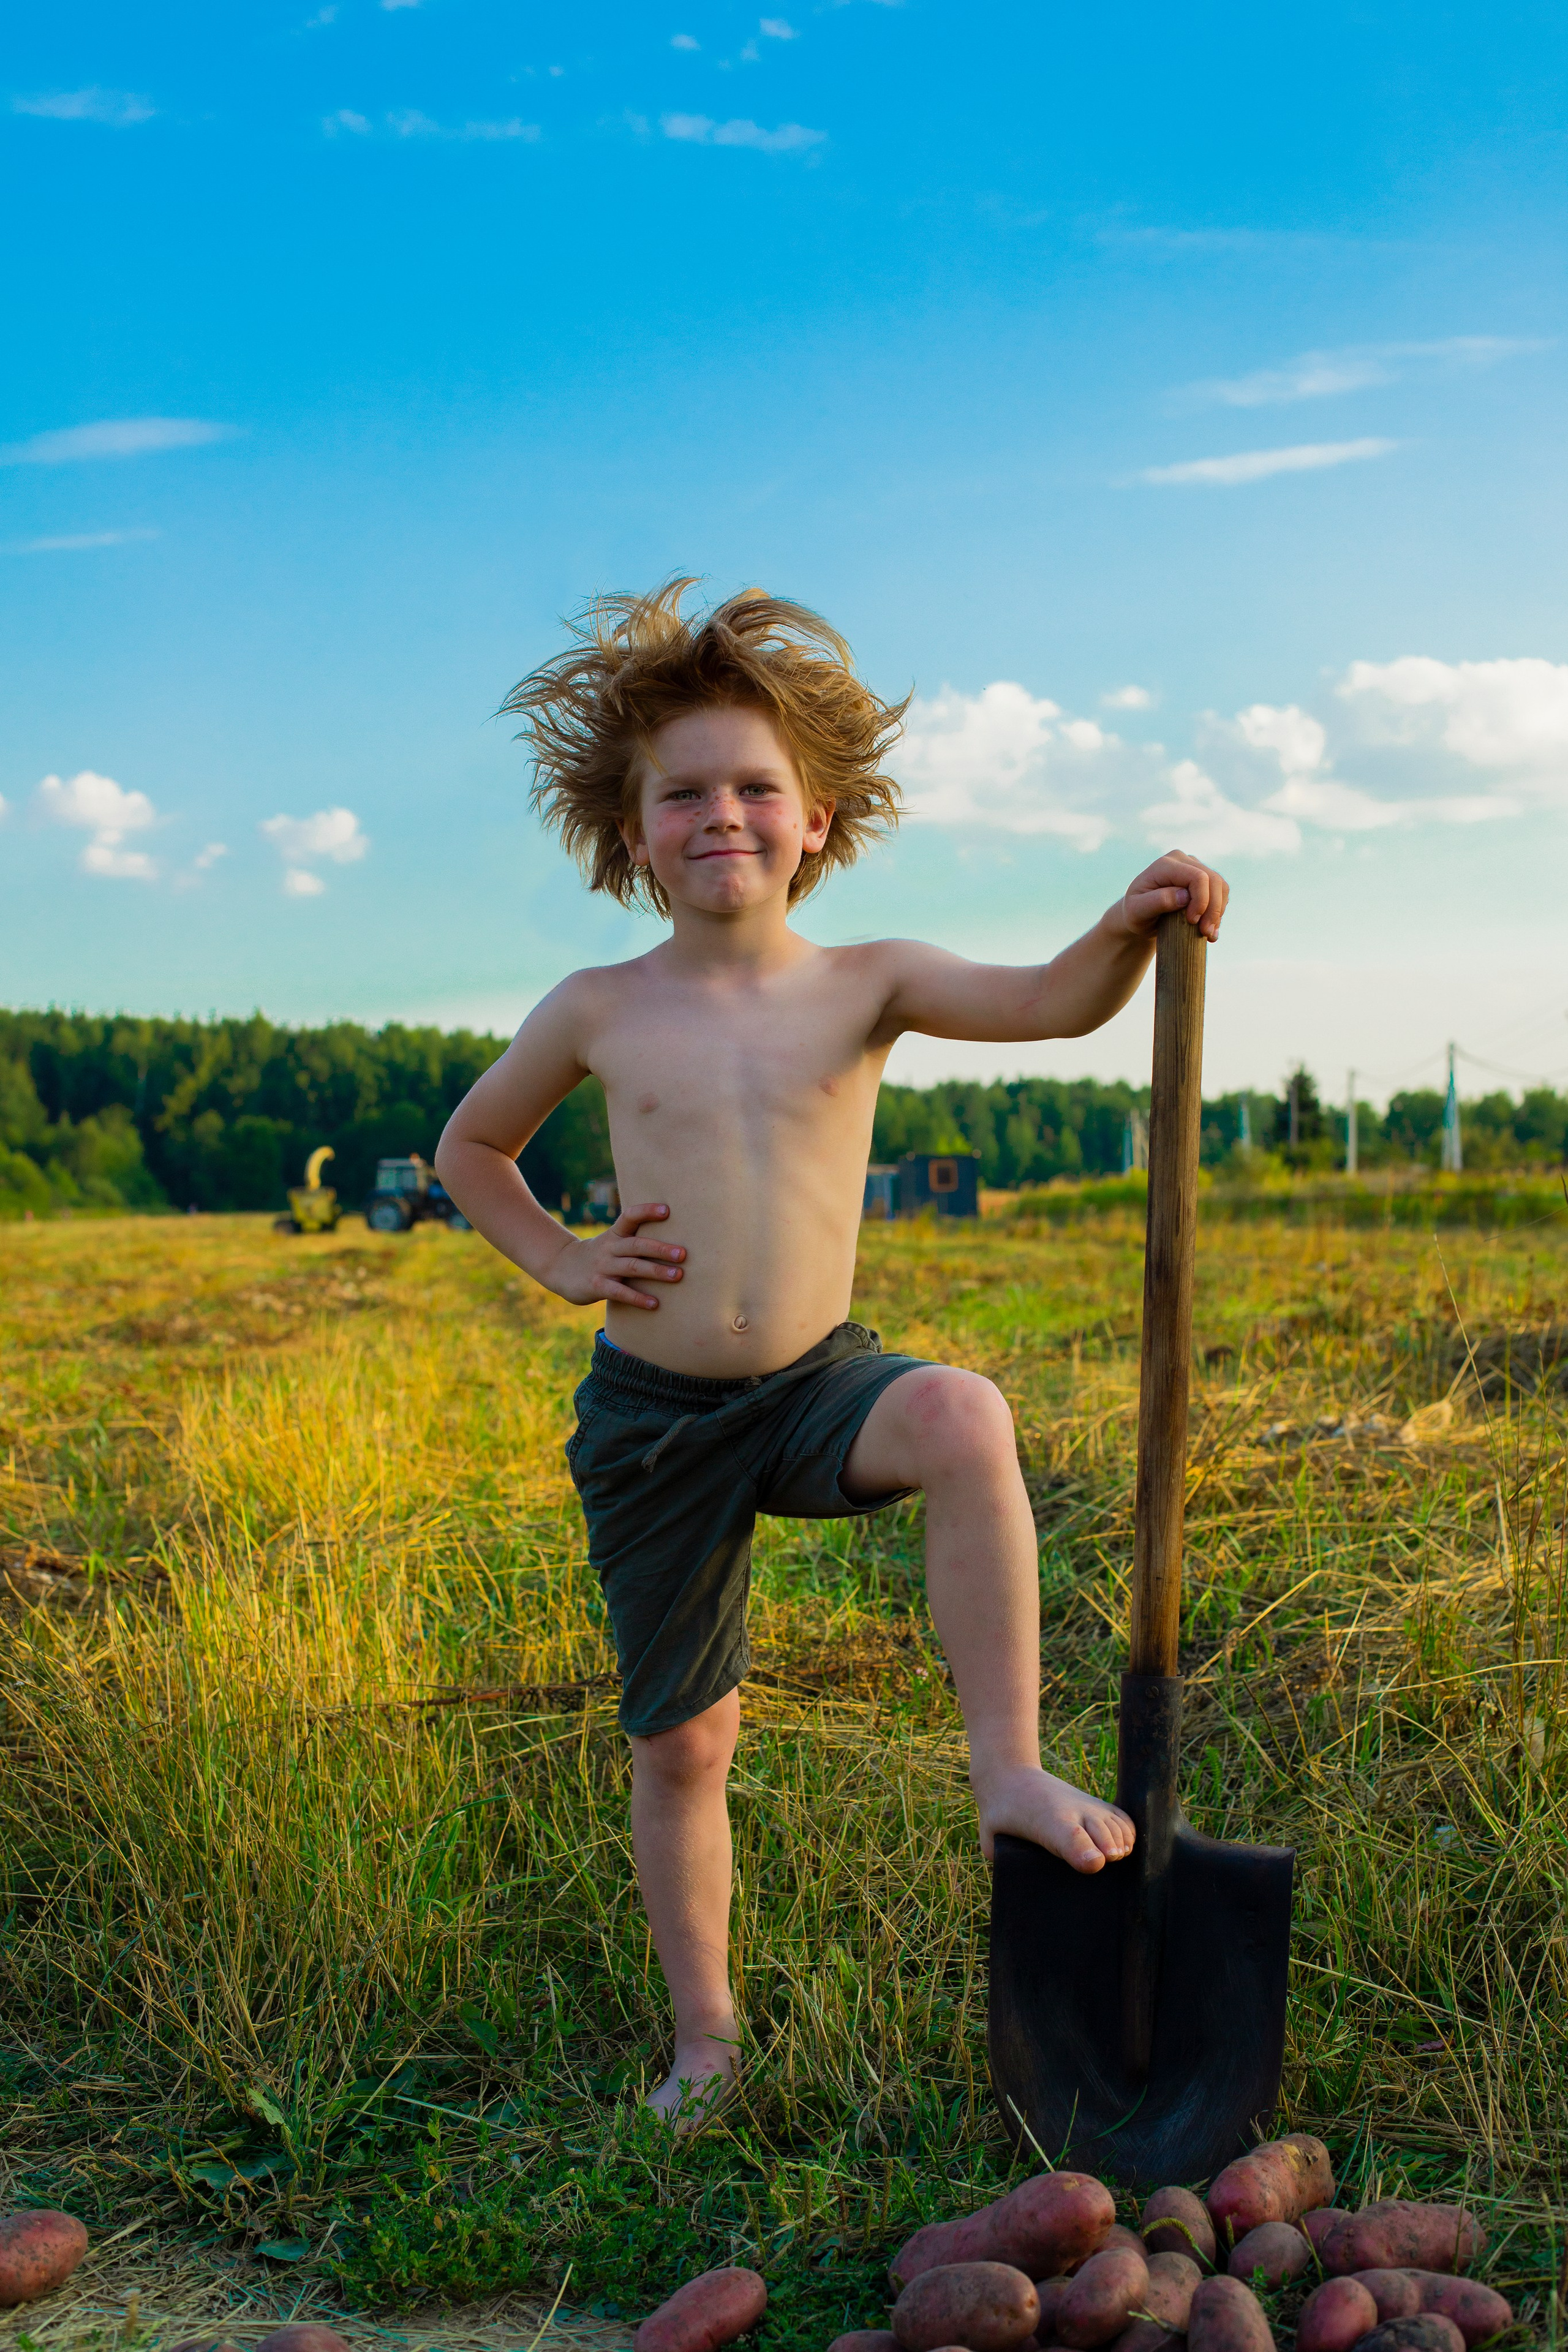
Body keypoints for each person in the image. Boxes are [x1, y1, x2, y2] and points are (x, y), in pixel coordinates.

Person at [435, 580, 1229, 2127]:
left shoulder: (865, 980)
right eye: (683, 794)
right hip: (655, 1419)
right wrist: (556, 1256)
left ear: (814, 820)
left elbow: (1053, 1006)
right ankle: (705, 2042)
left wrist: (1125, 928)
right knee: (686, 1741)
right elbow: (471, 1145)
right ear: (631, 827)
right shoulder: (597, 1005)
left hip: (813, 1389)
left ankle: (1006, 1767)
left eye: (753, 789)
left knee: (956, 1411)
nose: (718, 814)